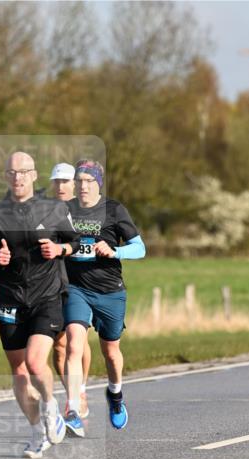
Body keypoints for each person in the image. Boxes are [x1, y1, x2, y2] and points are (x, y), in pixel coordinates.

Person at [0, 151, 79, 459]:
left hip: (47, 296)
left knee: (35, 363)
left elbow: (76, 243)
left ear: (34, 175)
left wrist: (59, 248)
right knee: (19, 372)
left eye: (24, 172)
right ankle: (37, 433)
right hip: (10, 299)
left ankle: (50, 408)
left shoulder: (55, 209)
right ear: (6, 177)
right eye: (12, 172)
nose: (18, 177)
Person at [62, 160, 145, 436]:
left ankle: (115, 394)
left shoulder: (114, 210)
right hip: (76, 289)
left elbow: (140, 249)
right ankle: (73, 408)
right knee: (74, 344)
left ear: (98, 182)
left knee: (110, 352)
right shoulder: (66, 210)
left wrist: (115, 251)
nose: (83, 186)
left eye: (88, 181)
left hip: (110, 291)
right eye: (79, 181)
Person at [48, 162, 91, 419]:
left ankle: (80, 391)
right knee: (59, 345)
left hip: (82, 282)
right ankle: (71, 393)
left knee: (77, 338)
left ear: (74, 183)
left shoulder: (85, 209)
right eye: (57, 182)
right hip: (54, 281)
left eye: (66, 181)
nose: (61, 186)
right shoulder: (48, 209)